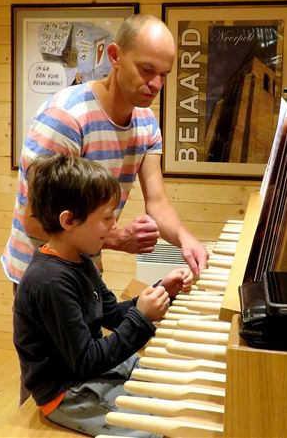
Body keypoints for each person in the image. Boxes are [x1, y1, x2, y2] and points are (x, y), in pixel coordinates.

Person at [1, 13, 208, 288]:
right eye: (147, 70)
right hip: (41, 278)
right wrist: (116, 238)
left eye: (164, 74)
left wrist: (185, 238)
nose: (156, 84)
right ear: (114, 56)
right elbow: (36, 221)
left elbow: (157, 202)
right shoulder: (66, 117)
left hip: (85, 270)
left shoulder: (146, 124)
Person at [13, 154, 193, 437]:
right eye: (107, 217)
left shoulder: (81, 259)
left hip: (89, 370)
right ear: (69, 220)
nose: (114, 226)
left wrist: (161, 291)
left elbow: (111, 313)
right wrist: (142, 317)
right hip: (68, 391)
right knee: (154, 428)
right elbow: (86, 361)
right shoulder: (49, 282)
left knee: (169, 384)